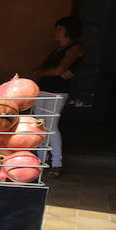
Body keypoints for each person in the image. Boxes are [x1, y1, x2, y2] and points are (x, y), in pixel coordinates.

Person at [33, 16, 85, 178]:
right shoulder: (55, 51)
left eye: (60, 29)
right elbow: (43, 70)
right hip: (43, 90)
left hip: (57, 92)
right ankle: (41, 161)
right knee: (39, 126)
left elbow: (57, 70)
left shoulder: (76, 48)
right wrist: (45, 71)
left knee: (51, 127)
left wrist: (43, 72)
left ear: (69, 31)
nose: (56, 32)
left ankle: (56, 163)